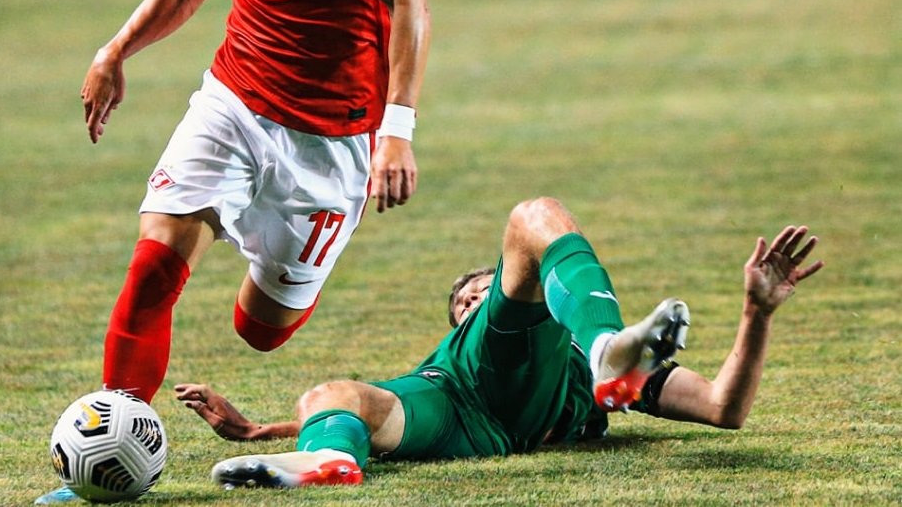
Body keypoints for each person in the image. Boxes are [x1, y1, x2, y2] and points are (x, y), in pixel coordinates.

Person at [37, 0, 430, 505]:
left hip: (331, 138)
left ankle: (268, 260)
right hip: (235, 100)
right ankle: (109, 454)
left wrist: (397, 128)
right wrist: (115, 50)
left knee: (261, 330)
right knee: (153, 265)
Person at [174, 197, 823, 489]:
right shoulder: (456, 359)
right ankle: (327, 462)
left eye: (482, 294)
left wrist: (756, 313)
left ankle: (602, 340)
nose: (472, 304)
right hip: (458, 409)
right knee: (333, 393)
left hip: (534, 385)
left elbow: (723, 407)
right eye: (463, 304)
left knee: (534, 218)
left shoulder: (568, 357)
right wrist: (264, 432)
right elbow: (362, 411)